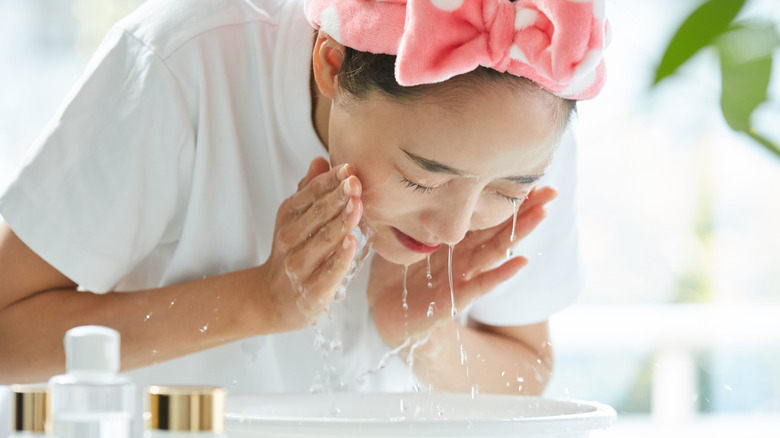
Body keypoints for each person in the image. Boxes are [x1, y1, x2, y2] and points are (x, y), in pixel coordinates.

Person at [0, 0, 607, 398]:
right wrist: (258, 300)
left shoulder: (528, 126)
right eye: (422, 180)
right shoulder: (186, 61)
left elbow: (527, 372)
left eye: (505, 192)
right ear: (331, 64)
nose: (452, 230)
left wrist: (423, 336)